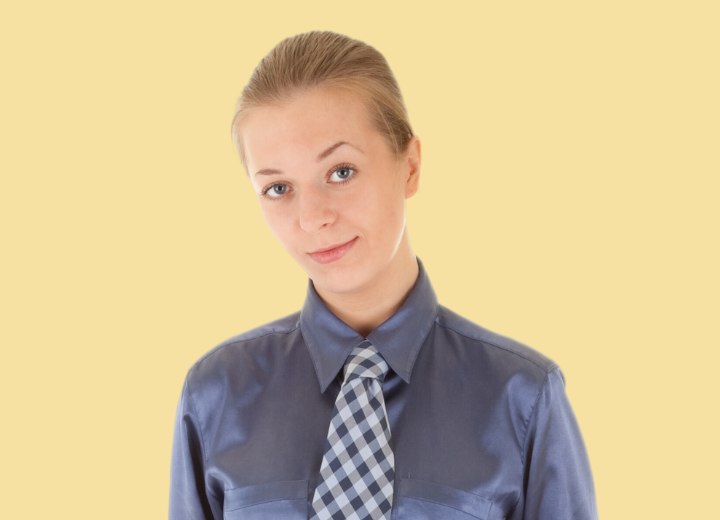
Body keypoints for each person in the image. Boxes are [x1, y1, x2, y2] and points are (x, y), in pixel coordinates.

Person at [169, 31, 597, 520]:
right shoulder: (215, 393)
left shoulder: (523, 396)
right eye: (278, 187)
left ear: (409, 166)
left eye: (341, 172)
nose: (313, 217)